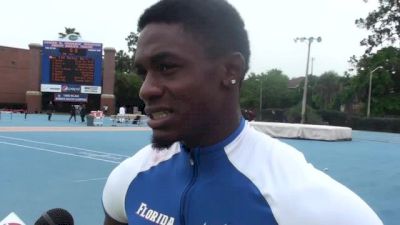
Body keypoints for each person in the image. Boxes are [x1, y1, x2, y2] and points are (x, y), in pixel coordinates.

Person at [102, 1, 383, 225]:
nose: (145, 90)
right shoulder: (130, 179)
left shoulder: (303, 200)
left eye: (166, 67)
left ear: (230, 71)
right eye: (144, 72)